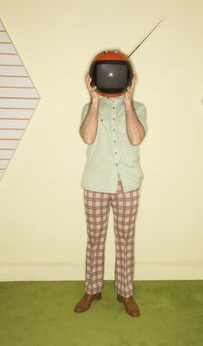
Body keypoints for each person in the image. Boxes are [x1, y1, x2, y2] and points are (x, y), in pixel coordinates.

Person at [74, 66, 147, 317]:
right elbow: (87, 137)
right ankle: (92, 289)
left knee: (125, 240)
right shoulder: (88, 109)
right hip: (96, 182)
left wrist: (128, 101)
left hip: (127, 182)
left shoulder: (138, 108)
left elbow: (136, 139)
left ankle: (125, 292)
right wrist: (94, 101)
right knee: (95, 238)